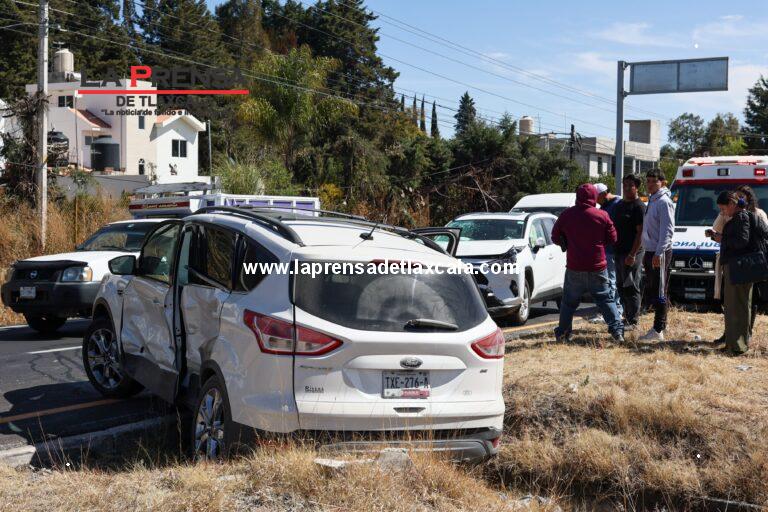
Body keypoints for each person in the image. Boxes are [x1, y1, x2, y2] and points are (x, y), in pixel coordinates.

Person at [551, 183, 624, 343]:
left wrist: (566, 243)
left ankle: (563, 333)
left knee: (568, 303)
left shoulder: (567, 215)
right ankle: (617, 332)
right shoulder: (602, 215)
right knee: (606, 300)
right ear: (594, 197)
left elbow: (554, 236)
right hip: (597, 266)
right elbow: (613, 238)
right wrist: (600, 243)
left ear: (578, 196)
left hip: (574, 266)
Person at [714, 191, 766, 355]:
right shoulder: (737, 217)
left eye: (723, 209)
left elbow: (742, 241)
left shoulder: (742, 217)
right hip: (735, 266)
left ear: (732, 204)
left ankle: (738, 346)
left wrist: (723, 240)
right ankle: (732, 344)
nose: (723, 213)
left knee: (739, 308)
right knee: (731, 307)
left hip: (740, 268)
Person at [638, 169, 675, 342]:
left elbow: (667, 231)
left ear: (663, 182)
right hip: (651, 250)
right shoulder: (653, 200)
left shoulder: (663, 201)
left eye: (654, 181)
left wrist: (659, 253)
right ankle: (660, 326)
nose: (650, 184)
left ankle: (658, 329)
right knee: (655, 288)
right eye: (648, 181)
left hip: (659, 252)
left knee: (660, 289)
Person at [612, 174, 645, 330]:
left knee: (631, 286)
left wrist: (632, 254)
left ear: (636, 187)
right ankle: (626, 316)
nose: (626, 188)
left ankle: (633, 320)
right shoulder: (619, 205)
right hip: (619, 252)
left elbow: (640, 233)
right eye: (624, 184)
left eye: (630, 185)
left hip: (633, 253)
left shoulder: (639, 207)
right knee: (620, 286)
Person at [592, 183, 623, 324]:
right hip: (606, 250)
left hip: (613, 249)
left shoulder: (617, 204)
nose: (595, 201)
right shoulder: (605, 206)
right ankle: (612, 310)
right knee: (608, 281)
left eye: (596, 197)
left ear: (604, 194)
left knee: (611, 281)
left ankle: (613, 311)